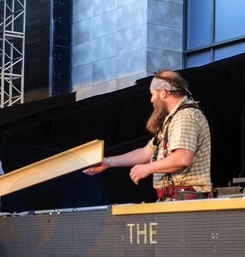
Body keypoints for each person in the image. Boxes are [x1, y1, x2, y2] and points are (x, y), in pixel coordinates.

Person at [84, 69, 212, 200]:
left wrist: (148, 168)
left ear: (163, 93)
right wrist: (108, 162)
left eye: (152, 94)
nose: (151, 100)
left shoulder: (185, 116)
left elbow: (183, 158)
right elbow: (147, 152)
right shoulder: (172, 120)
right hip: (176, 198)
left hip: (186, 200)